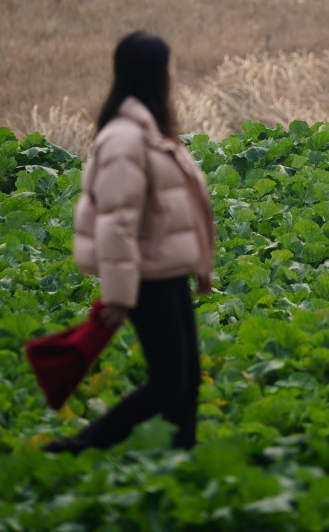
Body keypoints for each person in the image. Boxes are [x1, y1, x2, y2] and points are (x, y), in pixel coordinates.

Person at [42, 31, 216, 454]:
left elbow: (178, 207)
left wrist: (199, 266)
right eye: (169, 66)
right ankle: (82, 444)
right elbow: (117, 224)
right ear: (154, 73)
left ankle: (182, 457)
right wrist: (119, 296)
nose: (174, 74)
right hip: (144, 279)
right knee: (168, 381)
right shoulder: (125, 138)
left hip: (165, 273)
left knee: (186, 379)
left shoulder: (151, 130)